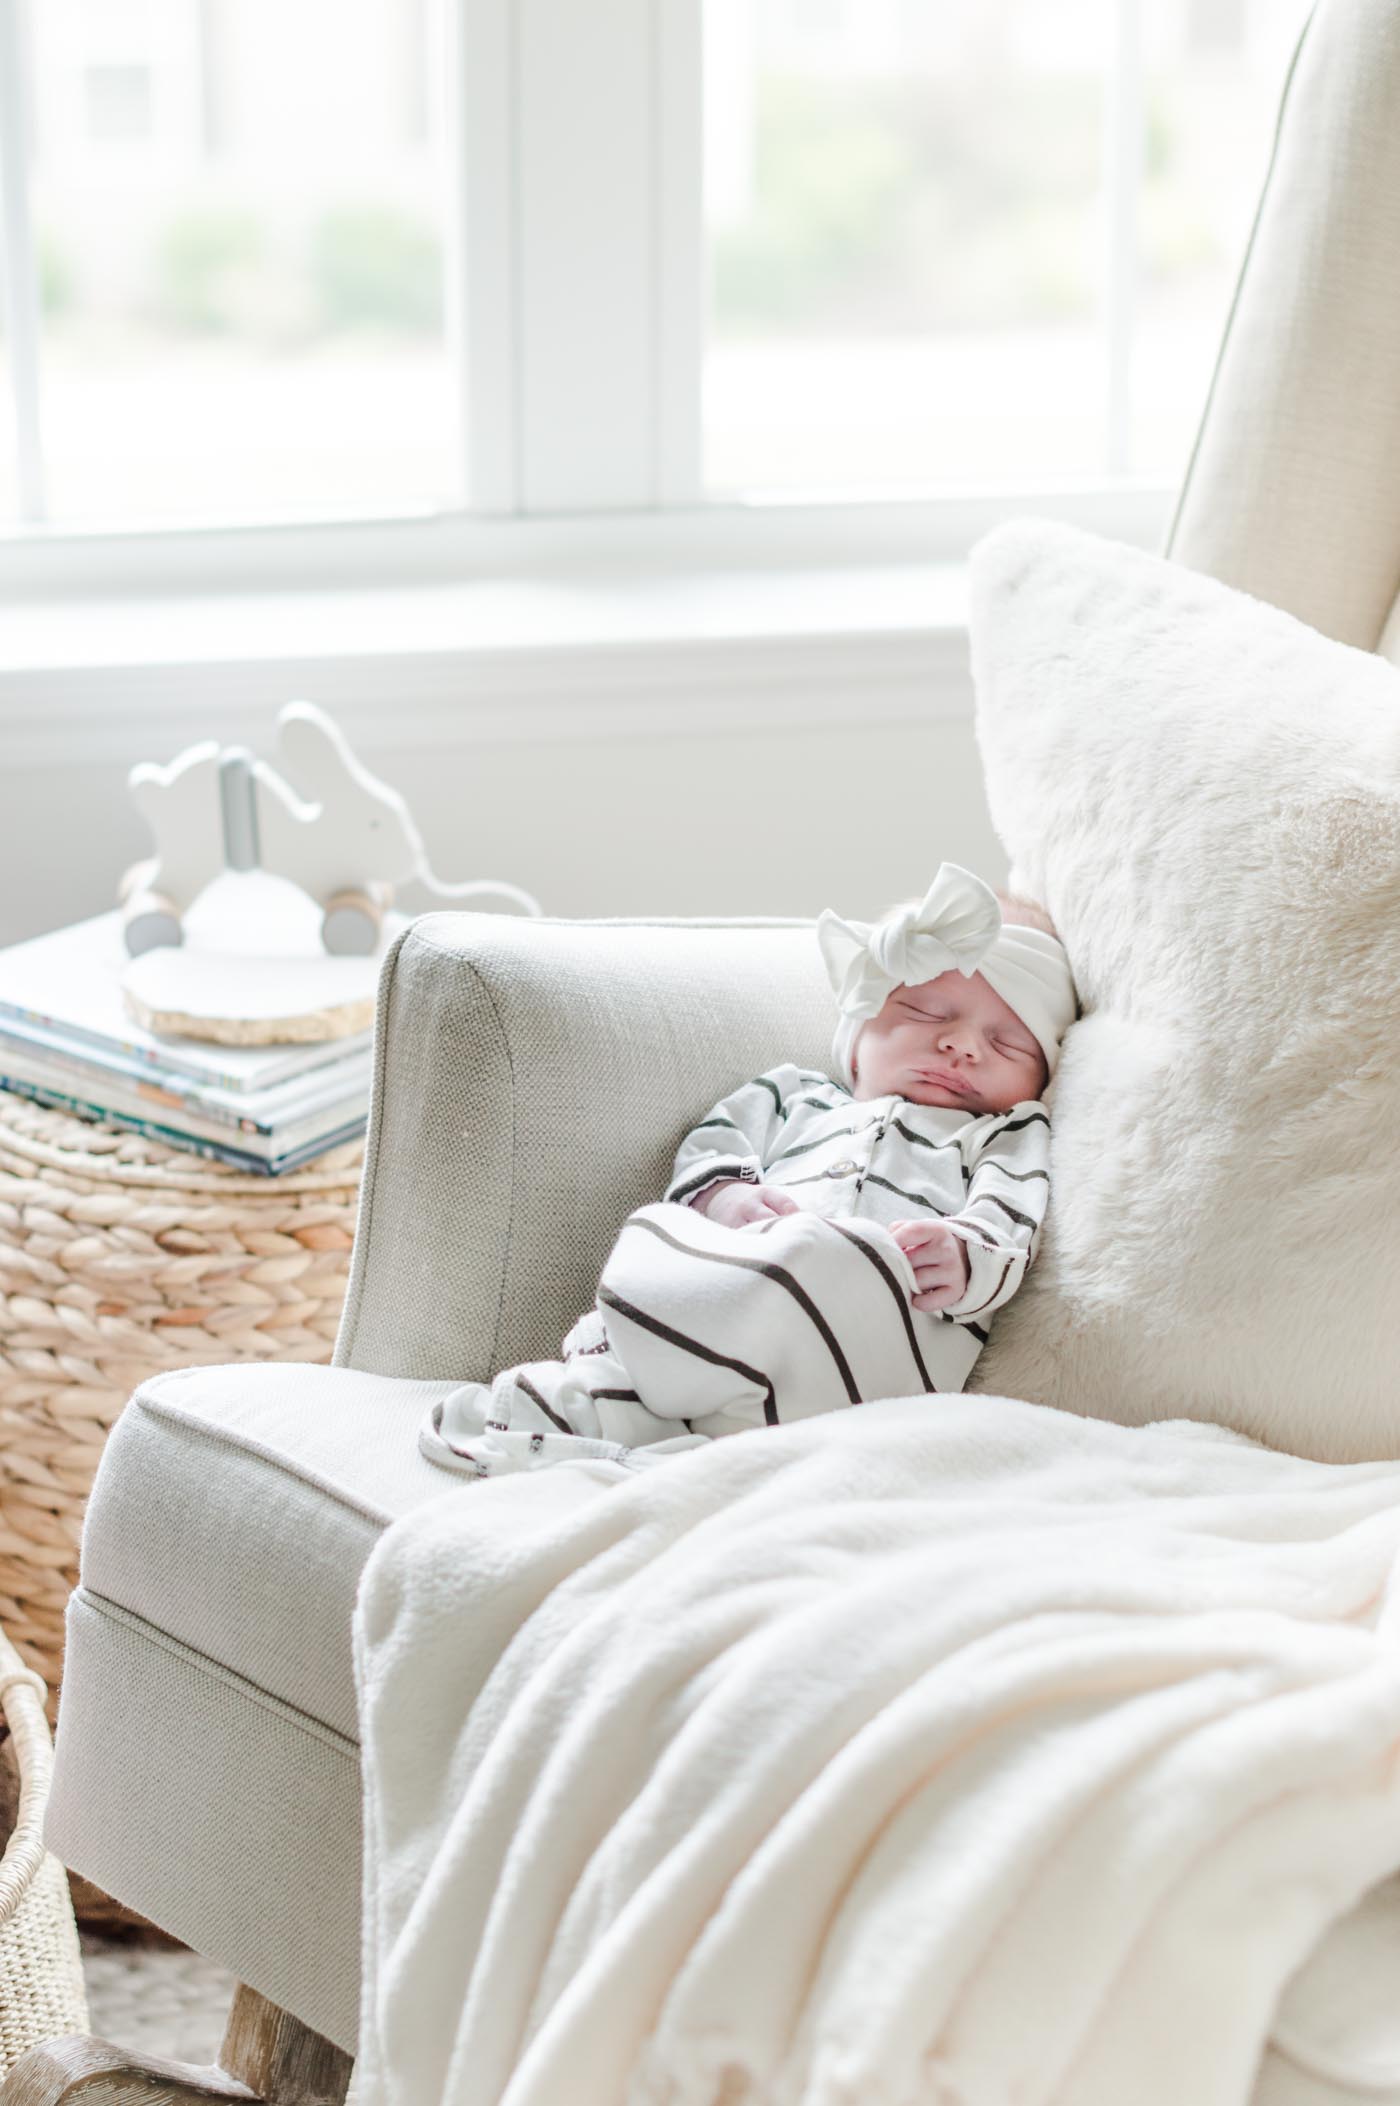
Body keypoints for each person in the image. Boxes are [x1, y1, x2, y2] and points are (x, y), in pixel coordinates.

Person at [420, 864, 1076, 1479]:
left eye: (1005, 1042)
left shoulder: (1005, 1133)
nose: (962, 1045)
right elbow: (712, 1147)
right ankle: (606, 1417)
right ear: (856, 1042)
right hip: (732, 1305)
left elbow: (1011, 1217)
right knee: (658, 1232)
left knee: (826, 1257)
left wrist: (966, 1255)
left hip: (866, 1351)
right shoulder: (794, 1096)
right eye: (926, 1014)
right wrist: (728, 1198)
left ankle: (690, 1428)